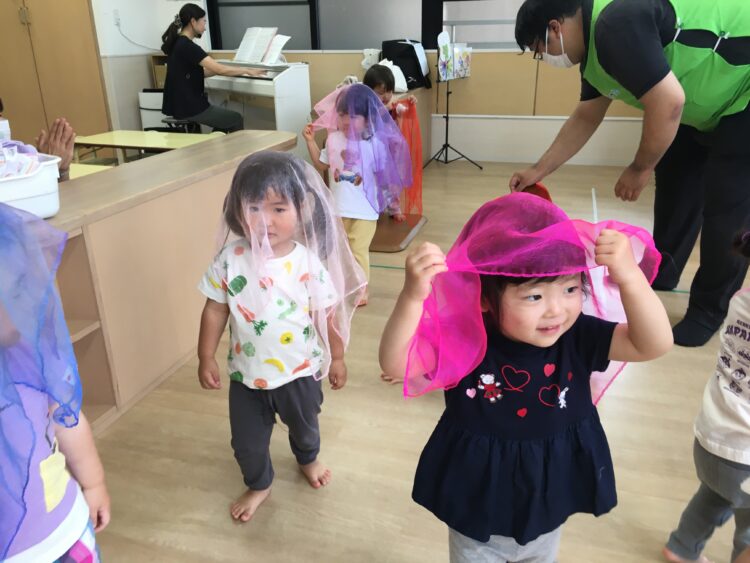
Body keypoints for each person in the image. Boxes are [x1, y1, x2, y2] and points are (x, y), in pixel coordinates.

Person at [379, 192, 672, 562]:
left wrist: (630, 277)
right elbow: (395, 364)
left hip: (547, 493)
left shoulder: (578, 336)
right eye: (534, 296)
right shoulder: (467, 335)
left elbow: (653, 344)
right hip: (478, 501)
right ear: (482, 295)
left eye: (570, 289)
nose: (556, 310)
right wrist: (411, 297)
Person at [510, 0, 750, 347]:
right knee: (677, 184)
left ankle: (707, 311)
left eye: (540, 49)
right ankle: (664, 269)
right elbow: (586, 116)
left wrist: (640, 168)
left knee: (728, 204)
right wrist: (538, 170)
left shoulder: (614, 24)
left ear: (555, 28)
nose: (546, 58)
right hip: (703, 106)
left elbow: (668, 101)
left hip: (741, 92)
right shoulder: (594, 56)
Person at [196, 151, 365, 522]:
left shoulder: (306, 262)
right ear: (236, 210)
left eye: (278, 209)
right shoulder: (230, 258)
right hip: (246, 376)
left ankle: (308, 457)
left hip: (299, 372)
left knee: (305, 426)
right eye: (253, 208)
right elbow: (215, 309)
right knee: (245, 443)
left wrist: (337, 357)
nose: (265, 220)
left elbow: (326, 315)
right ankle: (259, 483)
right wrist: (205, 356)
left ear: (301, 210)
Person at [0, 202, 110, 561]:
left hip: (64, 527)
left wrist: (93, 483)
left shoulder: (29, 358)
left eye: (22, 286)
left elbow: (67, 420)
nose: (24, 302)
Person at [663, 231, 750, 563]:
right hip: (746, 456)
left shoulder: (741, 300)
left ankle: (681, 547)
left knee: (713, 496)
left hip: (711, 438)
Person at [303, 83, 412, 306]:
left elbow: (386, 172)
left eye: (353, 116)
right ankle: (340, 285)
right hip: (337, 209)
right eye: (342, 114)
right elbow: (321, 164)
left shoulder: (375, 143)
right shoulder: (333, 140)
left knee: (358, 250)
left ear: (367, 119)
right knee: (339, 251)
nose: (346, 121)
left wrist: (389, 196)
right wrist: (310, 141)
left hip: (364, 211)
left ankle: (363, 289)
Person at [160, 3, 264, 133]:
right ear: (193, 21)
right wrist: (247, 70)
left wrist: (231, 68)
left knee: (224, 121)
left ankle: (216, 142)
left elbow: (200, 73)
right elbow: (220, 69)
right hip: (190, 108)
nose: (205, 27)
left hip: (181, 106)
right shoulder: (188, 46)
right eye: (204, 21)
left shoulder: (178, 43)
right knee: (235, 118)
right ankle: (230, 146)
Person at [363, 64, 423, 222]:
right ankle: (372, 208)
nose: (386, 96)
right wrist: (385, 108)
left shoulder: (391, 105)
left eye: (389, 91)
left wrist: (409, 103)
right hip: (371, 154)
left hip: (388, 155)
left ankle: (394, 208)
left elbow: (401, 116)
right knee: (373, 182)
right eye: (380, 93)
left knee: (390, 182)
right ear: (368, 91)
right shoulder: (366, 108)